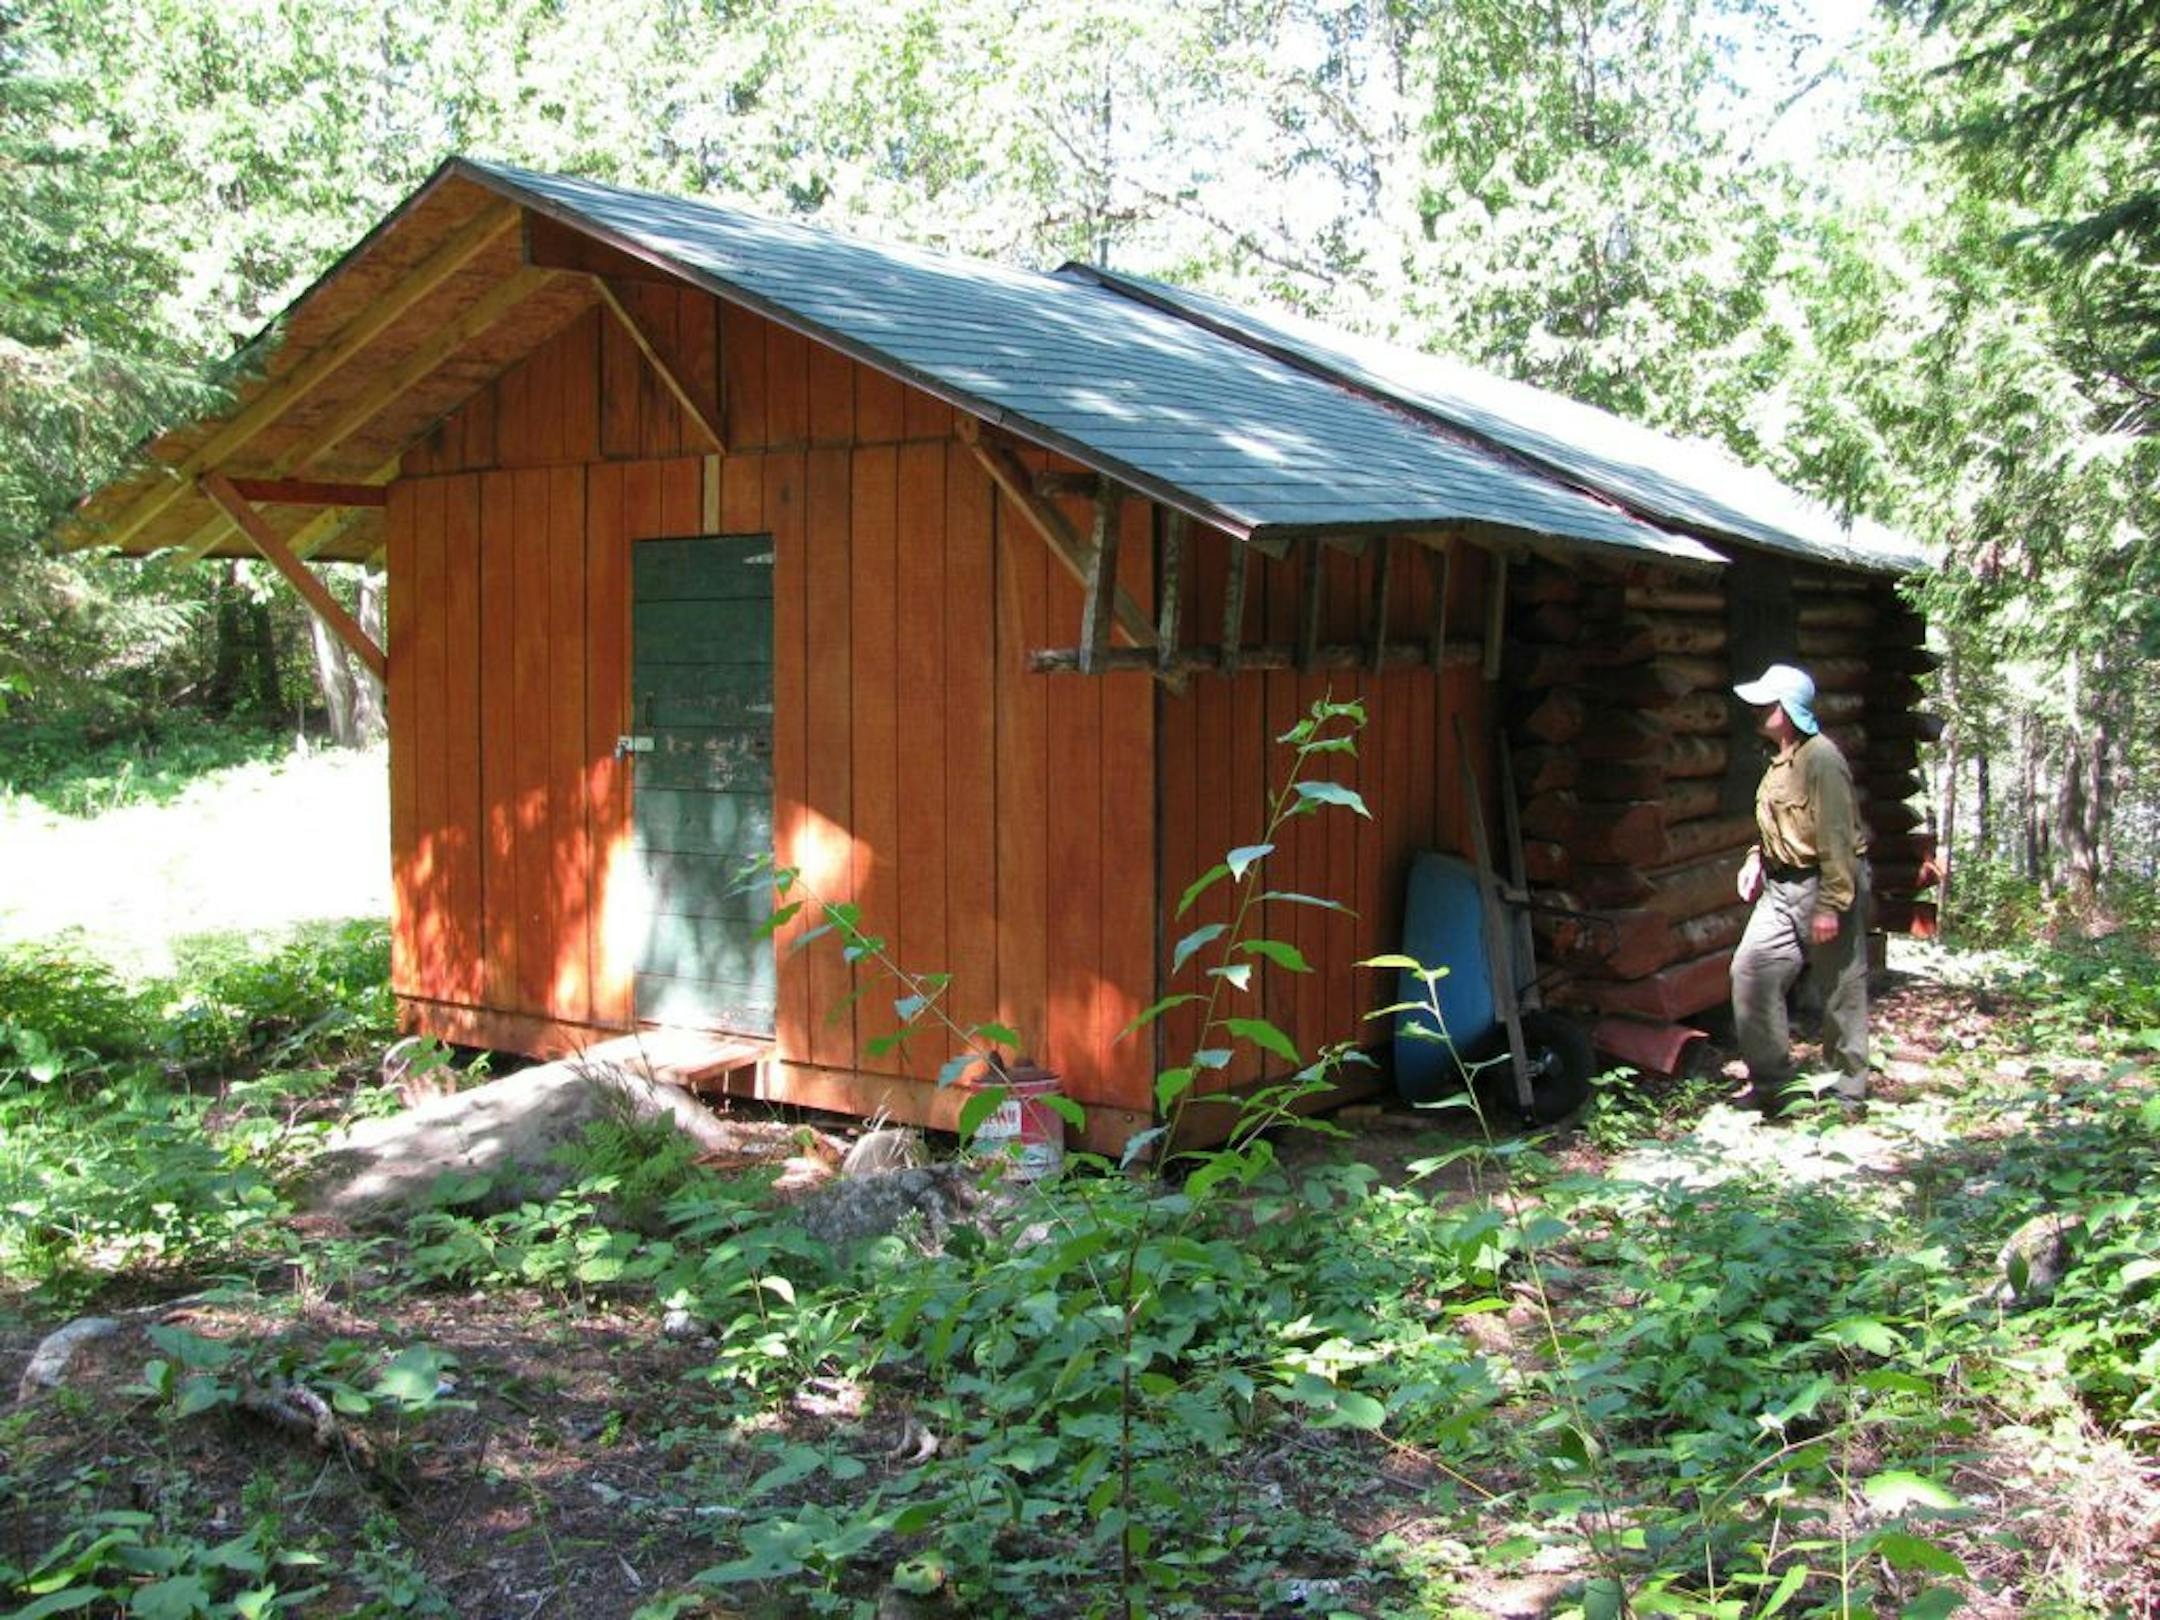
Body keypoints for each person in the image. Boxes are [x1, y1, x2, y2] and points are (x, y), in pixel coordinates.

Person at [1729, 662, 1870, 1116]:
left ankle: (1848, 1094)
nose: (1756, 710)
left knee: (1840, 989)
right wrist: (1755, 859)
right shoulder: (1777, 762)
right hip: (1780, 886)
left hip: (1824, 884)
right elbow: (1781, 827)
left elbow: (1836, 836)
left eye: (1766, 703)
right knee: (1751, 971)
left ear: (1786, 710)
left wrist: (1831, 903)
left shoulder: (1822, 759)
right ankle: (1776, 1087)